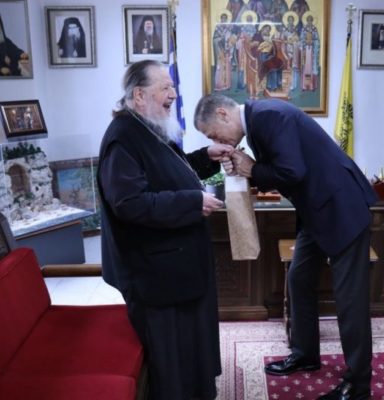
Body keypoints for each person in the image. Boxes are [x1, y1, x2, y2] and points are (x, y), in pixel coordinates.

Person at [194, 94, 377, 400]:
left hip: (341, 208)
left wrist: (253, 169)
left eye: (213, 134)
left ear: (223, 114)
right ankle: (305, 354)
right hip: (315, 211)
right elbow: (281, 168)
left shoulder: (268, 116)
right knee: (299, 278)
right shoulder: (256, 121)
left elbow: (292, 171)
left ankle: (358, 385)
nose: (216, 141)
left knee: (350, 300)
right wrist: (247, 169)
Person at [97, 60, 231, 399]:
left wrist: (206, 156)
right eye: (165, 88)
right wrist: (192, 202)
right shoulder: (123, 138)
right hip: (155, 274)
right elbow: (129, 203)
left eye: (173, 86)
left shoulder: (147, 127)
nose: (174, 94)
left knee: (191, 347)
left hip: (175, 266)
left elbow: (170, 171)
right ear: (139, 95)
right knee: (172, 360)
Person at [0, 10, 31, 77]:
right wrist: (0, 69)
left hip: (9, 71)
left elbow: (14, 50)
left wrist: (21, 54)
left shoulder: (5, 40)